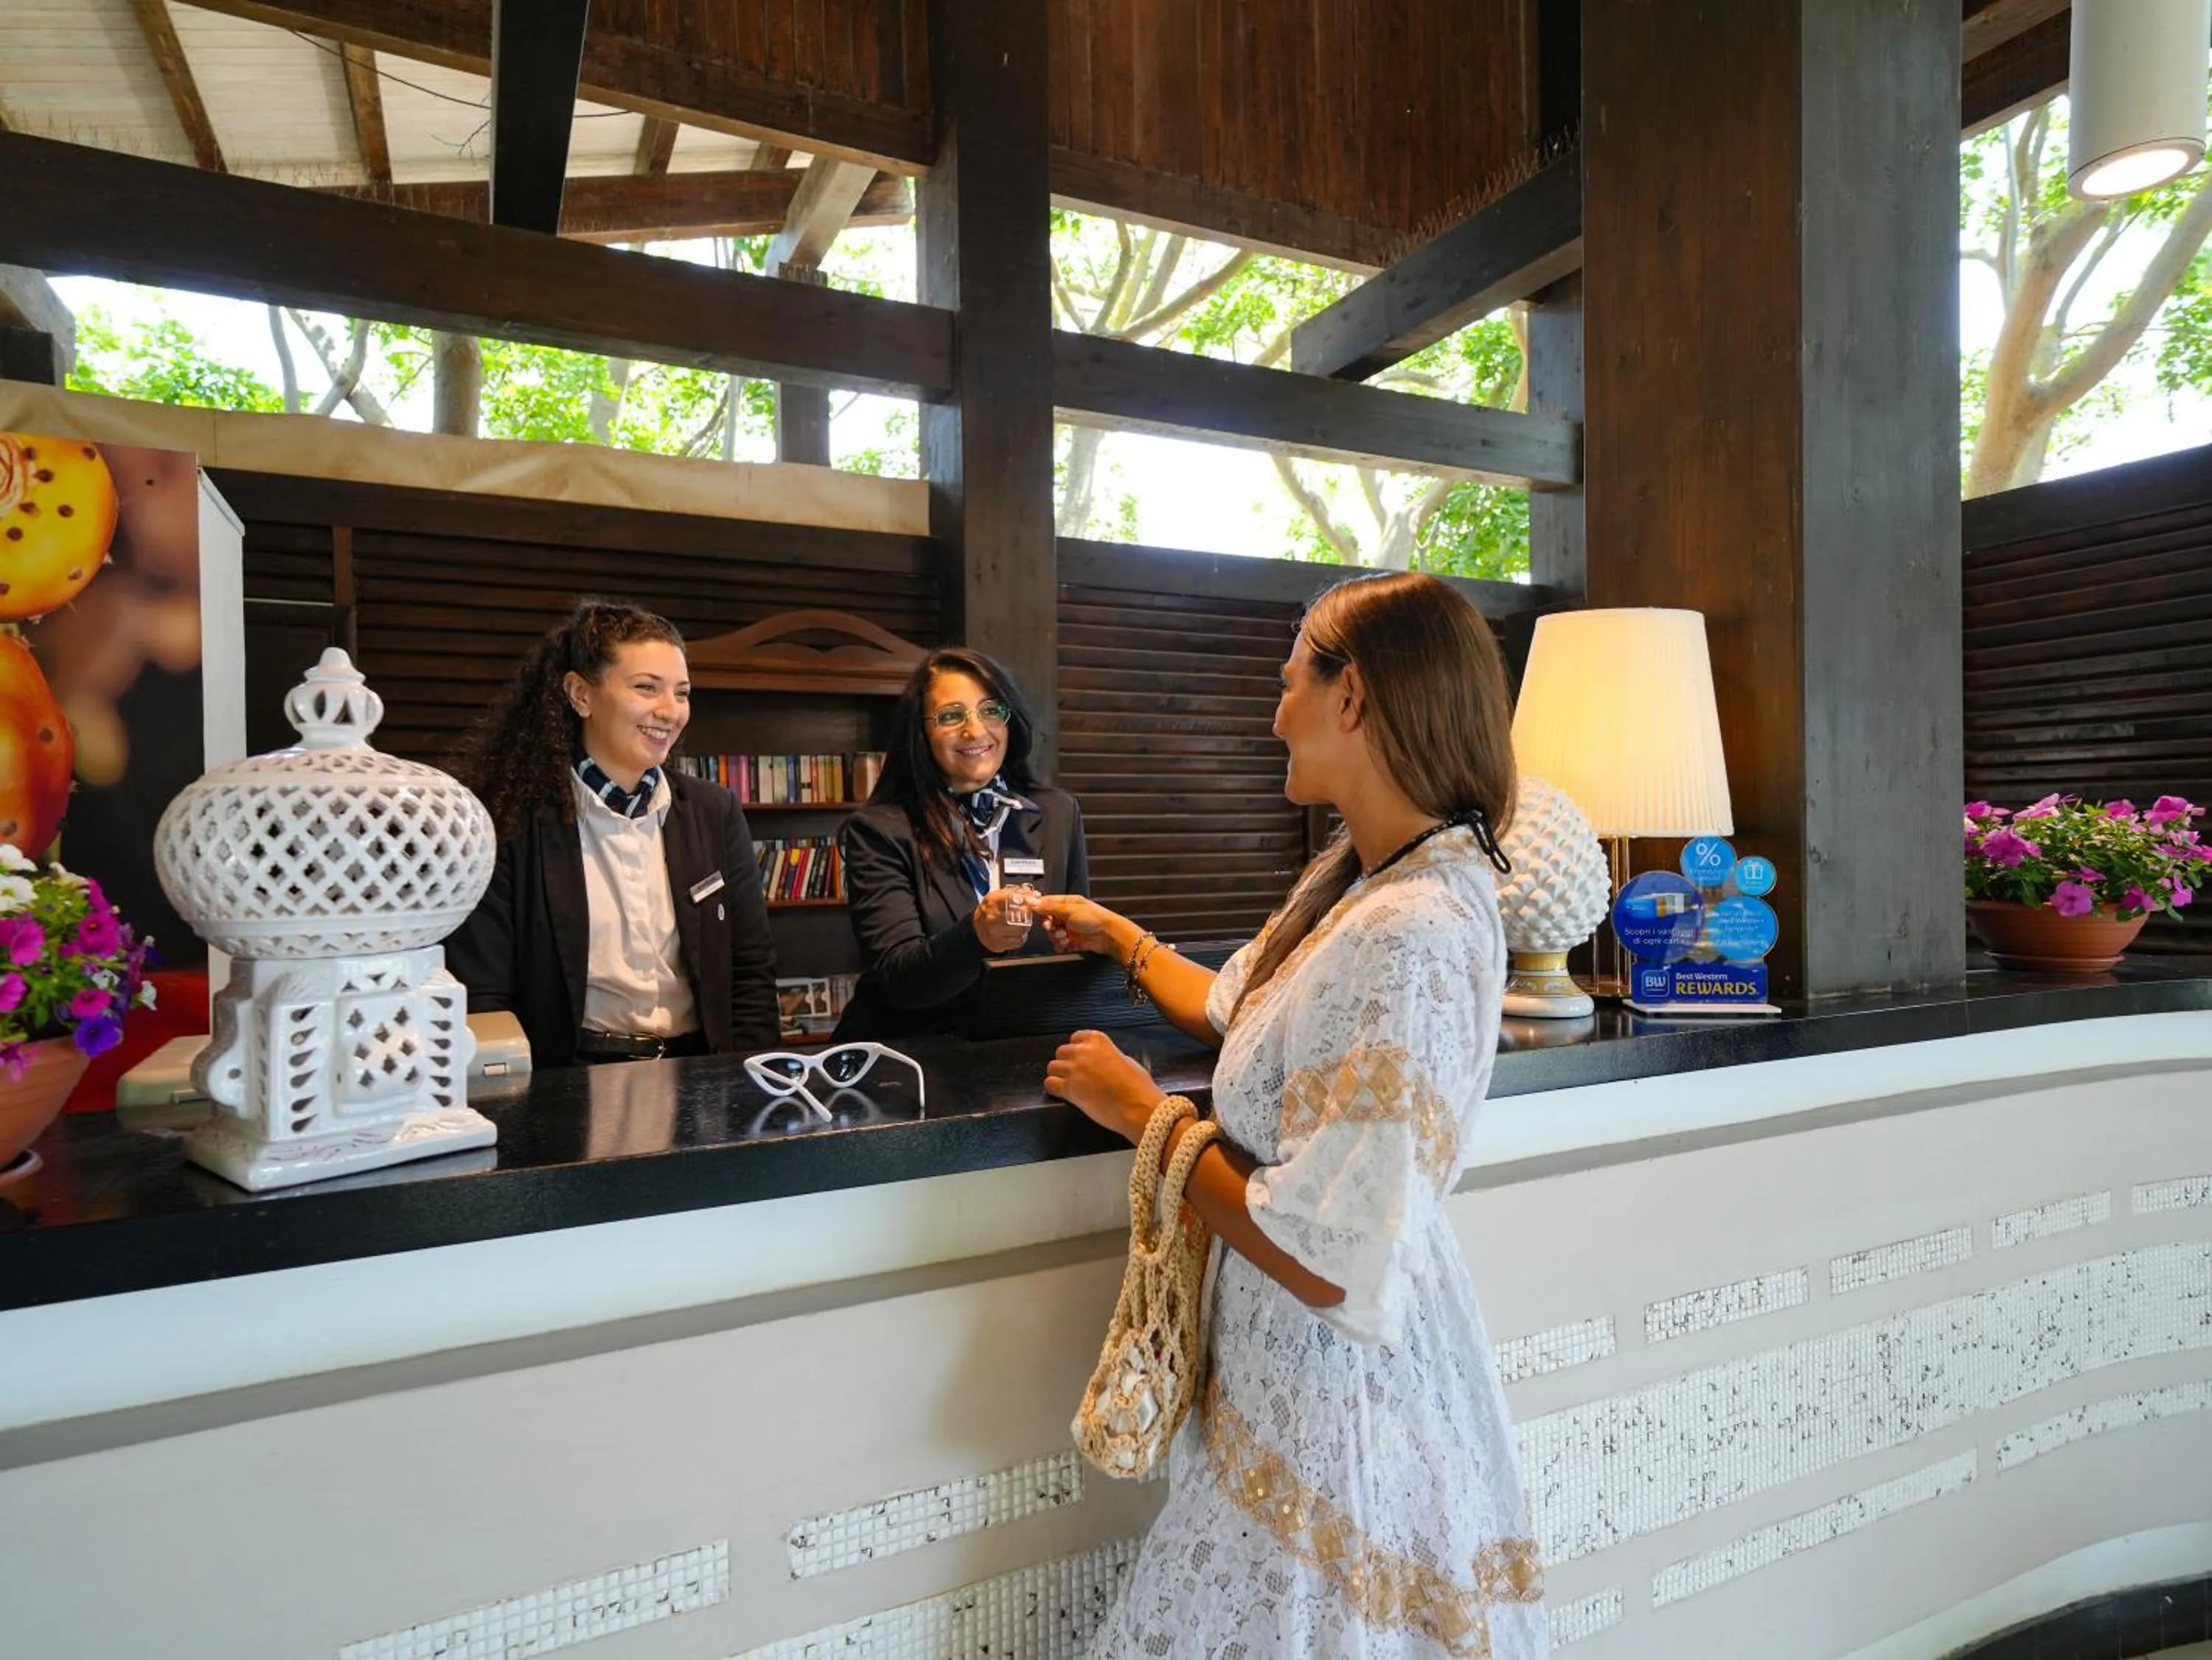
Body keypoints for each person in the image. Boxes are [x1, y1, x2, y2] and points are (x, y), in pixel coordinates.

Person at [1035, 571, 1547, 1659]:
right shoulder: (1370, 882)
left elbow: (1332, 1262)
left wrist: (1145, 1118)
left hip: (1337, 1395)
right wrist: (1118, 939)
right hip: (1291, 1380)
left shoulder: (1406, 927)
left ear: (1352, 696)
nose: (1275, 716)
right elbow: (1245, 1010)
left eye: (1287, 686)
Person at [445, 599, 780, 1068]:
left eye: (682, 693)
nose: (670, 711)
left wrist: (752, 1084)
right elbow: (482, 993)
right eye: (647, 688)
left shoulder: (713, 810)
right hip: (569, 1078)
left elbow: (750, 970)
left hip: (701, 1072)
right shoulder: (510, 820)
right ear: (580, 694)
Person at [834, 647, 1088, 1040]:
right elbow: (897, 978)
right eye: (951, 716)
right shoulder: (878, 831)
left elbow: (1079, 948)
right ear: (921, 733)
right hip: (914, 1059)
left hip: (1023, 1052)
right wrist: (976, 936)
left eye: (990, 710)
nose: (975, 730)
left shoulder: (1058, 813)